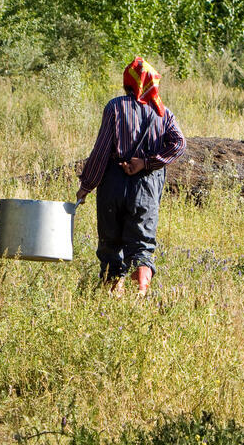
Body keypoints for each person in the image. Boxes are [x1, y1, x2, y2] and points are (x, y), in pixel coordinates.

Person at [76, 57, 185, 297]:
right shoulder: (163, 113)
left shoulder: (115, 107)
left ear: (127, 82)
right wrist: (146, 163)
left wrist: (87, 185)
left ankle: (112, 296)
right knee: (141, 247)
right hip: (146, 187)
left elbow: (101, 151)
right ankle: (140, 296)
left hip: (113, 185)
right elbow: (179, 144)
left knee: (110, 246)